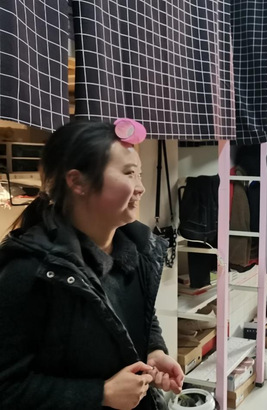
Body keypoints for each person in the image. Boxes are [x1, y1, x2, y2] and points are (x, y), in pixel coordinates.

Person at [0, 119, 184, 409]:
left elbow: (138, 316)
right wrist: (101, 394)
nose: (141, 188)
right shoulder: (30, 271)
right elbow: (7, 389)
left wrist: (154, 350)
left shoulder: (136, 250)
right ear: (77, 182)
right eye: (129, 173)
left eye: (139, 174)